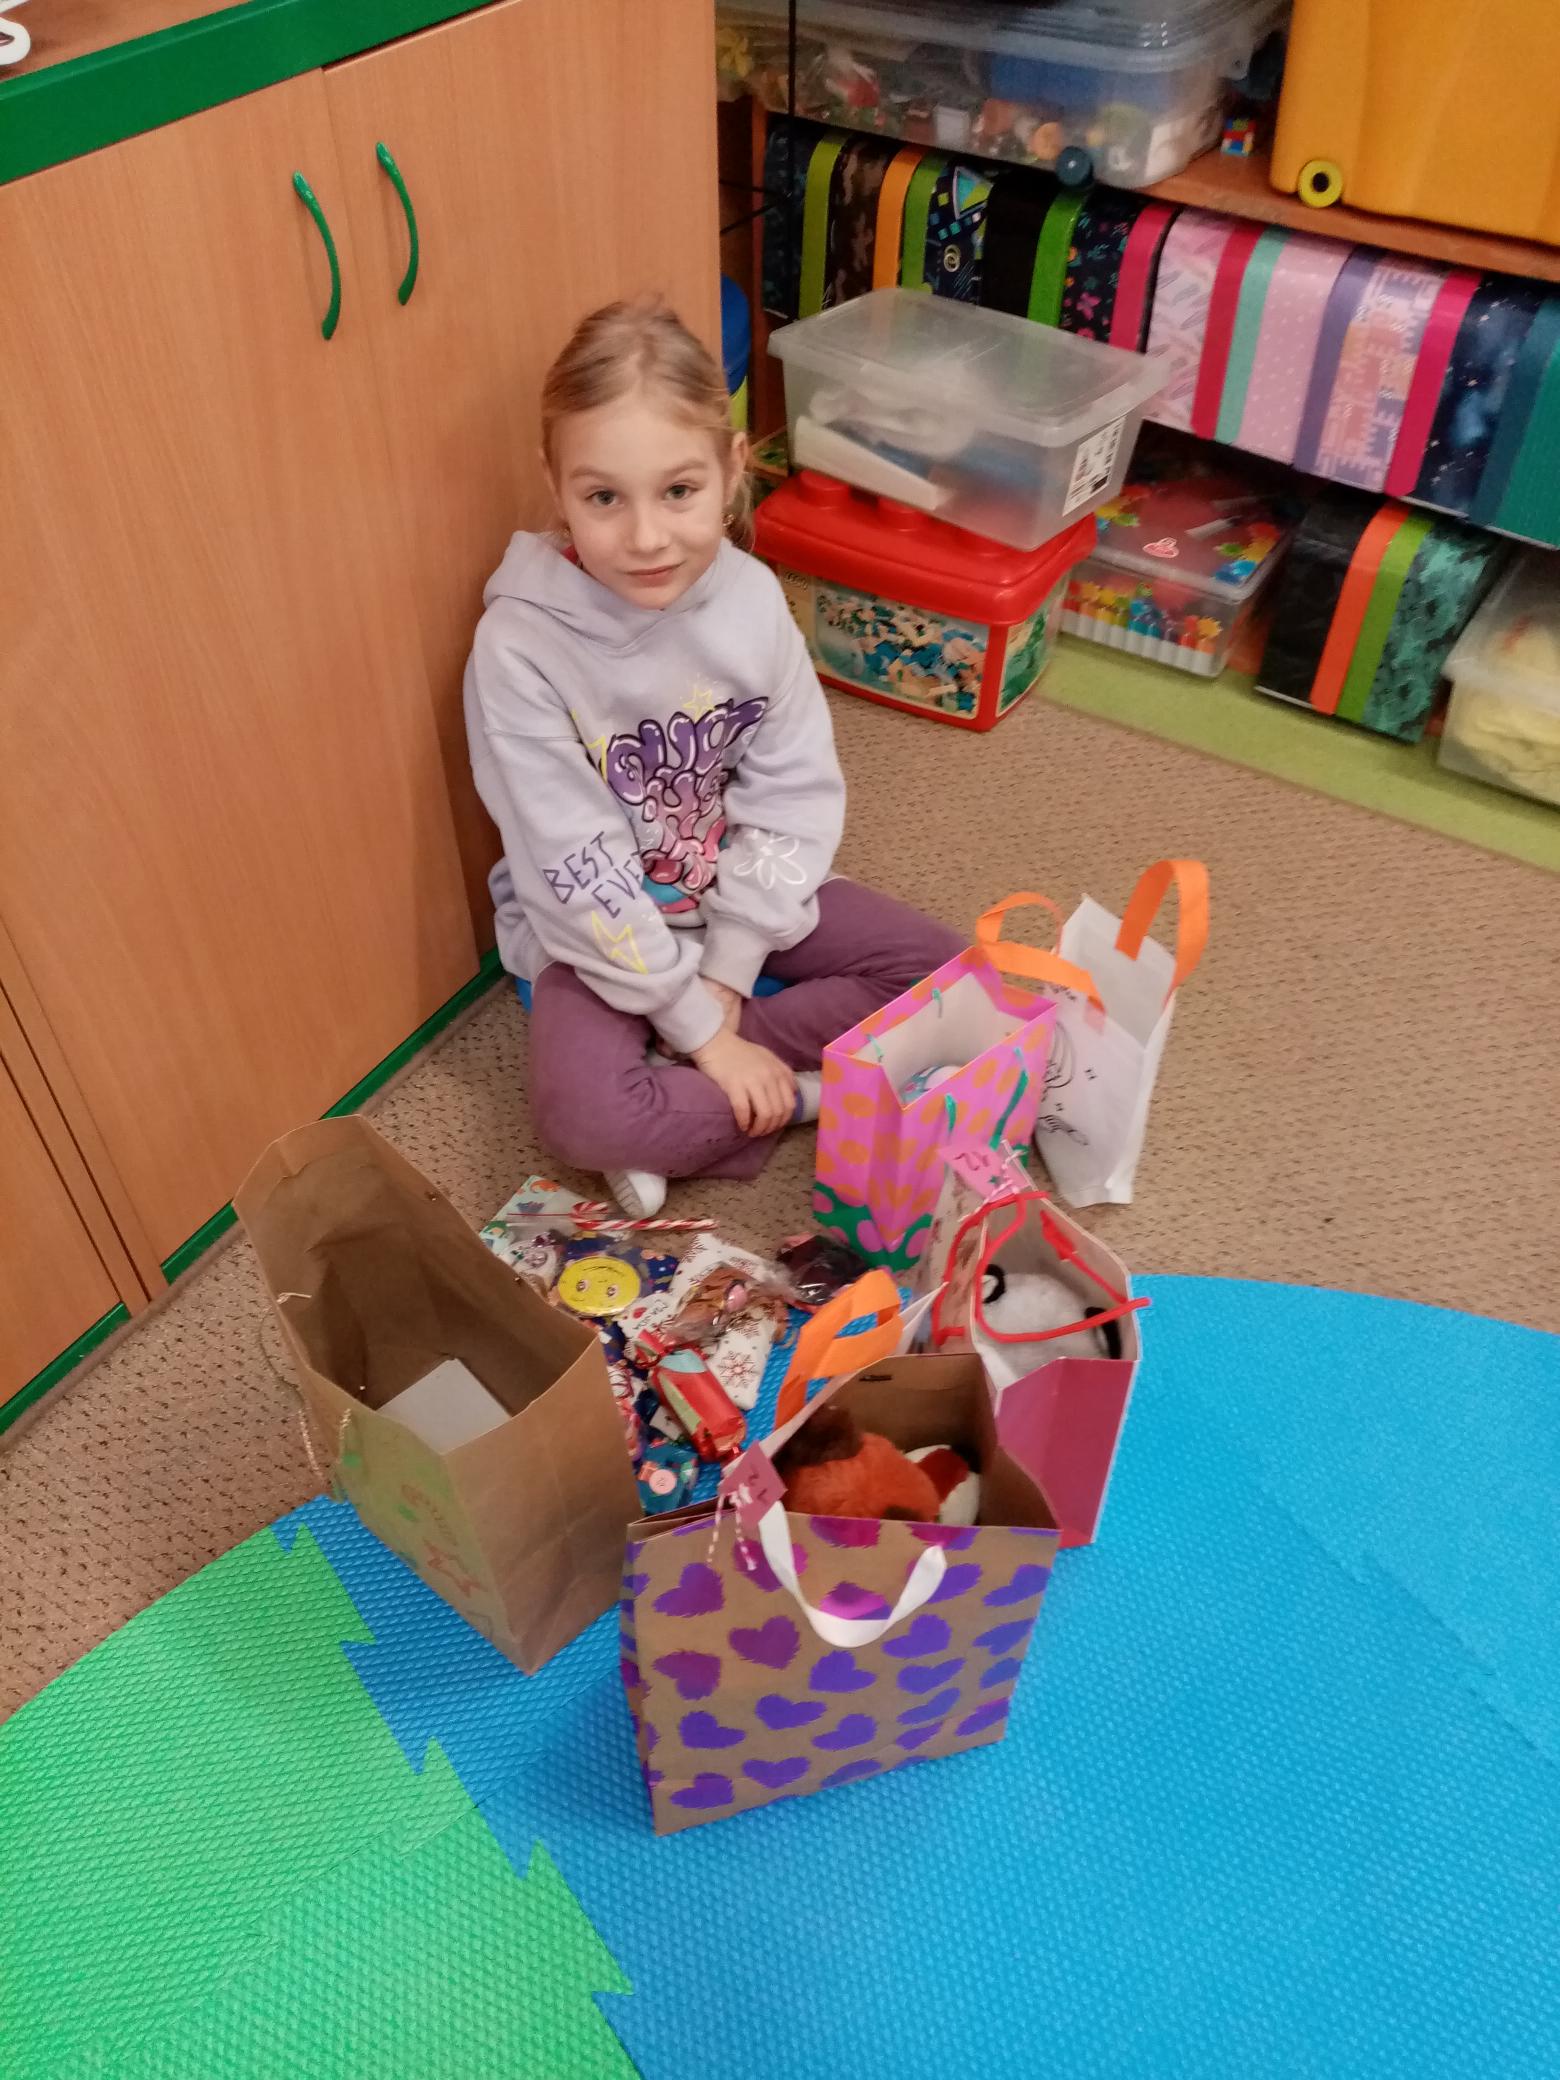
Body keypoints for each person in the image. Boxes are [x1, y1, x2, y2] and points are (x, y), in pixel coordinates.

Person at [463, 297, 963, 1217]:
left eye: (679, 492)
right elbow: (575, 868)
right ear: (554, 483)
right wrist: (699, 1029)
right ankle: (805, 1096)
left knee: (950, 978)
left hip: (738, 890)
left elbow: (792, 792)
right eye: (603, 497)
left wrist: (727, 979)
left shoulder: (753, 601)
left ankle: (703, 1091)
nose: (646, 537)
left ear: (733, 469)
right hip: (603, 933)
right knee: (580, 1117)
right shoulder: (517, 647)